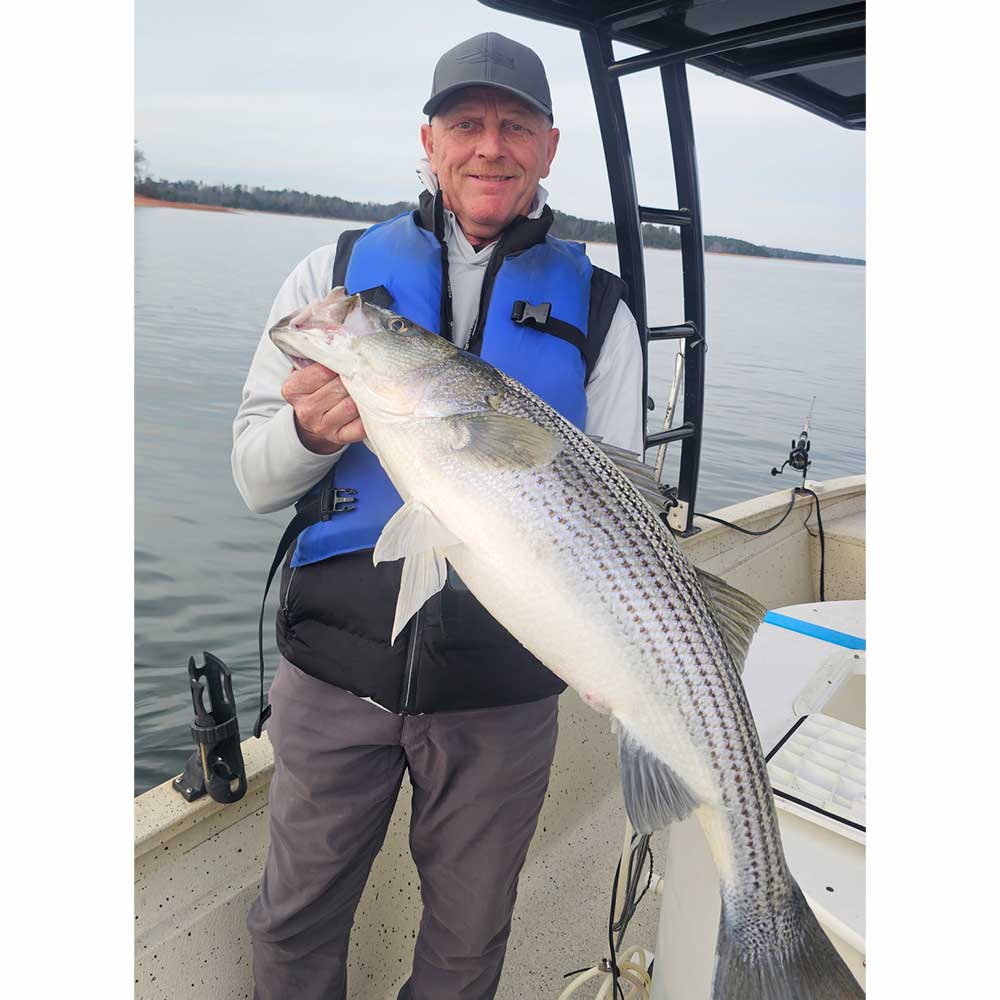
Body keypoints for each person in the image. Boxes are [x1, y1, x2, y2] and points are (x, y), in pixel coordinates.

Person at [232, 31, 644, 1000]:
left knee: (464, 953)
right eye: (466, 123)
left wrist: (611, 656)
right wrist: (308, 433)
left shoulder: (603, 314)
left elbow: (622, 514)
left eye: (514, 127)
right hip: (335, 679)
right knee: (290, 928)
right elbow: (252, 478)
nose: (488, 146)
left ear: (549, 149)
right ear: (428, 139)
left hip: (499, 705)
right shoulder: (329, 281)